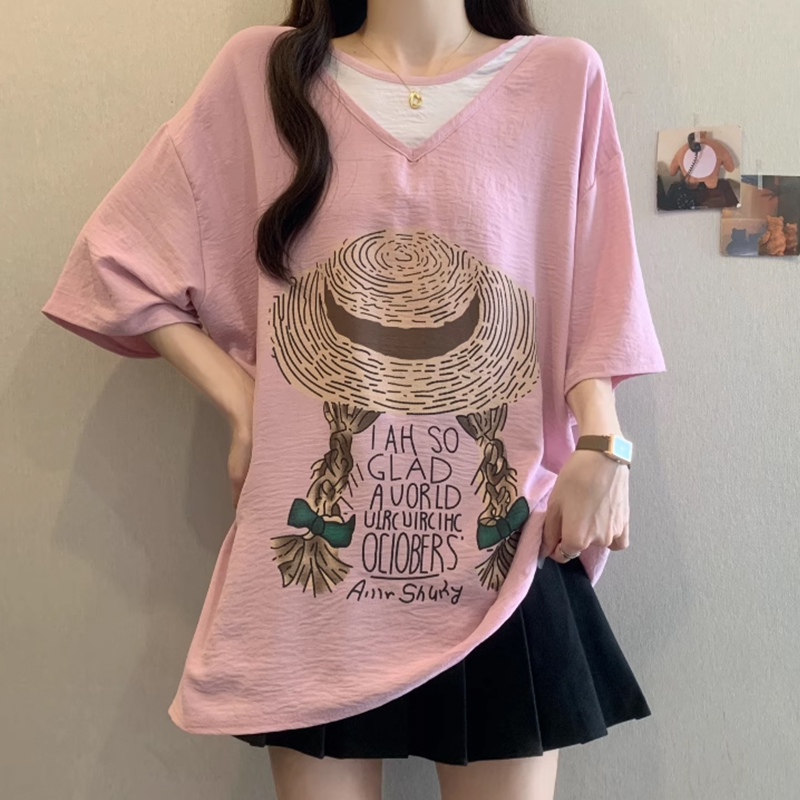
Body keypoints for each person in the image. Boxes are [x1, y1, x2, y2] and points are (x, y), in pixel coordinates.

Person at [40, 1, 667, 798]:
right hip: (313, 580)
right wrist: (243, 402)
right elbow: (118, 263)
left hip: (505, 555)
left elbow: (597, 290)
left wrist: (605, 442)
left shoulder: (562, 78)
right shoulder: (265, 76)